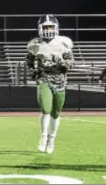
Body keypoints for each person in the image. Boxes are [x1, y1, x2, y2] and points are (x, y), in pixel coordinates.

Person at [25, 14, 74, 154]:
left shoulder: (64, 43)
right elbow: (29, 61)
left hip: (59, 80)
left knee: (56, 113)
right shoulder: (34, 44)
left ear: (56, 27)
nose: (48, 29)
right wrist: (34, 70)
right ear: (40, 28)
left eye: (50, 26)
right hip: (43, 78)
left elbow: (71, 63)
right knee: (46, 109)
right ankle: (43, 137)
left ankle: (52, 139)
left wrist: (61, 62)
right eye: (45, 26)